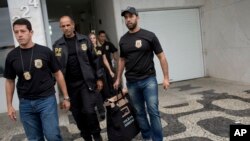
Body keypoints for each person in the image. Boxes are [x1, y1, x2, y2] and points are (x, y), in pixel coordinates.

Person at [4, 18, 70, 141]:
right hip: (25, 103)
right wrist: (9, 105)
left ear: (31, 32)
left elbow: (58, 74)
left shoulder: (45, 52)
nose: (19, 35)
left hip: (46, 100)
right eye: (16, 32)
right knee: (34, 138)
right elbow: (9, 81)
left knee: (52, 136)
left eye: (23, 31)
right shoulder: (11, 56)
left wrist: (66, 97)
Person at [114, 7, 170, 141]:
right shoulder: (123, 40)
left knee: (153, 111)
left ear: (137, 17)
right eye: (126, 17)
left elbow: (161, 57)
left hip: (148, 80)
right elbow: (122, 60)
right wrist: (117, 79)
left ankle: (157, 139)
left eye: (131, 16)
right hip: (131, 82)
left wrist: (166, 78)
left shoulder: (149, 35)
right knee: (139, 113)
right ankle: (147, 137)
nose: (128, 19)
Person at [53, 16, 103, 141]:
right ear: (60, 27)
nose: (66, 28)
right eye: (63, 26)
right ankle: (86, 136)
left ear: (73, 25)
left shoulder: (84, 40)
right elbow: (56, 69)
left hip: (85, 83)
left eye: (68, 25)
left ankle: (96, 135)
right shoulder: (57, 45)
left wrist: (99, 78)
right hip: (69, 87)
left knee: (89, 111)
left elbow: (95, 60)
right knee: (77, 115)